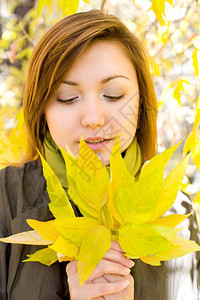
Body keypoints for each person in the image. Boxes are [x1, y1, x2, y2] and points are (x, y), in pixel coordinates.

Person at [0, 9, 199, 300]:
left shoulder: (176, 212)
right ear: (40, 109)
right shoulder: (7, 198)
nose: (93, 118)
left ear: (141, 100)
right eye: (67, 97)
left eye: (114, 94)